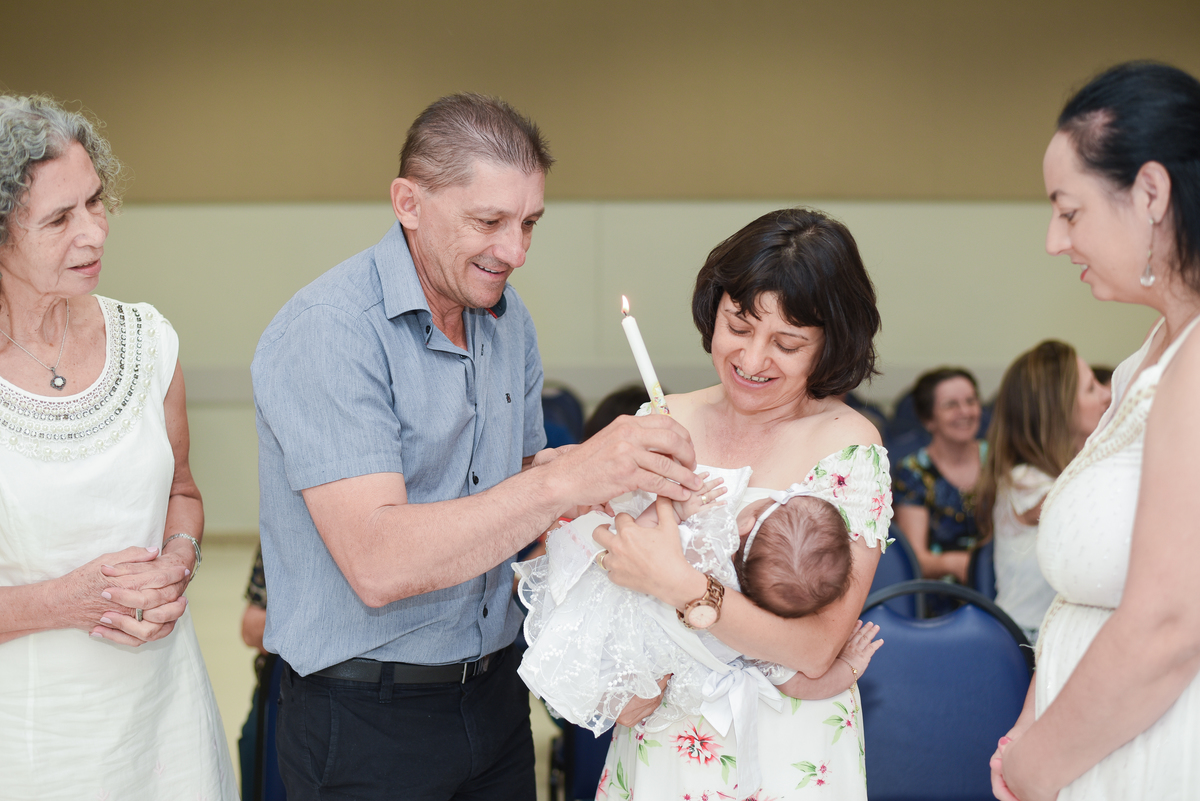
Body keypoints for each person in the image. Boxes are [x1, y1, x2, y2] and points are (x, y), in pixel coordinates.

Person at [251, 93, 703, 801]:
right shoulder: (330, 332)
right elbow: (376, 560)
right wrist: (566, 478)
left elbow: (513, 483)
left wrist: (617, 479)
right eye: (489, 221)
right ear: (408, 202)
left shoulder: (505, 317)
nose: (515, 251)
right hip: (366, 714)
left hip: (493, 693)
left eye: (529, 223)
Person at [588, 208, 892, 800]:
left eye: (787, 343)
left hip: (785, 744)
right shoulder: (662, 420)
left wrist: (680, 585)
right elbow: (611, 578)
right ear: (714, 309)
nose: (752, 361)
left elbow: (812, 647)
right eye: (738, 325)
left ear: (829, 345)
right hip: (666, 732)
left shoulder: (850, 448)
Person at [0, 96, 235, 798]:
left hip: (163, 727)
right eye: (59, 219)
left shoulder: (149, 342)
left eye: (96, 202)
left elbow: (183, 492)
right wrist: (67, 601)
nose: (94, 234)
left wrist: (179, 560)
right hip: (29, 739)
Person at [991, 62, 1200, 801]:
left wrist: (1036, 764)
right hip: (1091, 742)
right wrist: (1029, 730)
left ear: (1150, 192)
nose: (1054, 239)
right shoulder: (1148, 355)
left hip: (1159, 742)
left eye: (1069, 211)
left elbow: (1171, 623)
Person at [516, 468, 881, 740]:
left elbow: (634, 542)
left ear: (747, 522)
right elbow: (799, 685)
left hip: (614, 618)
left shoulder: (702, 550)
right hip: (648, 669)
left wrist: (677, 512)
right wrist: (848, 667)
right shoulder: (755, 629)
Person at [976, 341, 1110, 643]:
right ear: (1059, 411)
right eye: (1091, 389)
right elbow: (1081, 506)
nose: (1107, 394)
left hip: (1069, 629)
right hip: (1027, 639)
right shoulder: (1025, 480)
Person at [892, 367, 986, 583]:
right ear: (929, 420)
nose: (965, 412)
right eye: (951, 405)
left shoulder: (1000, 460)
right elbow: (915, 559)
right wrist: (954, 563)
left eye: (971, 401)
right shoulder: (913, 471)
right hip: (941, 598)